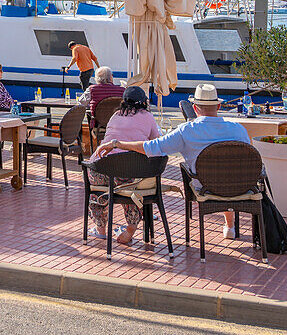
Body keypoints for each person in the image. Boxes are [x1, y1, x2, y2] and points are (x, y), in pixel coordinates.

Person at [97, 84, 251, 238]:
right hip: (236, 186)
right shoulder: (238, 129)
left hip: (204, 187)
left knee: (209, 174)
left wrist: (117, 144)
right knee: (224, 169)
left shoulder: (187, 130)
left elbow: (152, 147)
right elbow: (248, 157)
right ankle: (230, 227)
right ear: (218, 106)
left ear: (195, 108)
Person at [85, 86, 161, 244]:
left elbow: (108, 138)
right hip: (130, 174)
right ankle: (130, 230)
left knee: (96, 189)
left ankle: (100, 229)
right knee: (133, 189)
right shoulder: (148, 117)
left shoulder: (115, 115)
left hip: (103, 170)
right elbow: (156, 143)